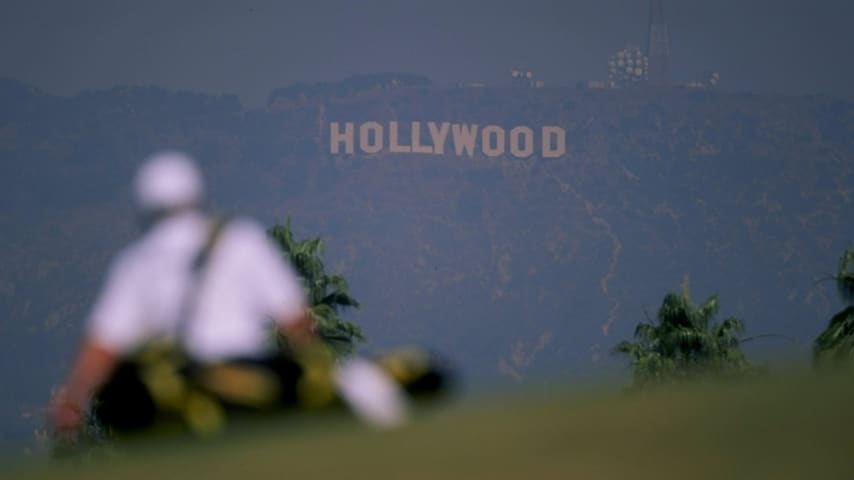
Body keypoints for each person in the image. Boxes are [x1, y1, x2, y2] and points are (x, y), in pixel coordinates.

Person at [49, 151, 319, 441]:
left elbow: (102, 344)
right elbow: (296, 320)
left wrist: (72, 400)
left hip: (178, 384)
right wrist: (316, 376)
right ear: (198, 196)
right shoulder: (242, 239)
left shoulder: (136, 262)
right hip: (248, 373)